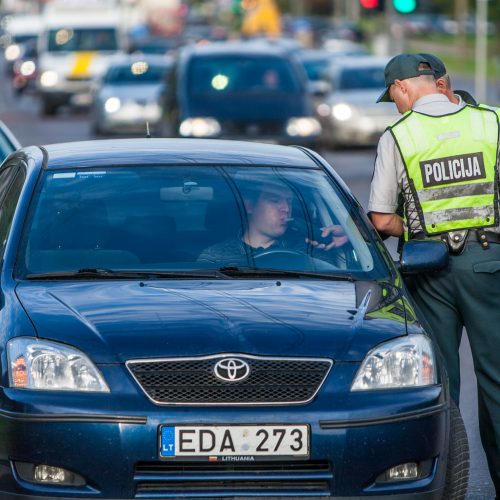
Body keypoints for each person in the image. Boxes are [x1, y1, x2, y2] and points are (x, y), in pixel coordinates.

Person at [369, 53, 500, 496]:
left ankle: (445, 484)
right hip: (489, 263)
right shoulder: (492, 122)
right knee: (498, 380)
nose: (394, 107)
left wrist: (425, 227)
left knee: (440, 383)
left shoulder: (399, 137)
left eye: (392, 98)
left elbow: (381, 219)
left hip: (430, 270)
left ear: (402, 89)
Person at [198, 181, 347, 265]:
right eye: (274, 201)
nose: (286, 209)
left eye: (289, 201)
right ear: (249, 206)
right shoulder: (215, 257)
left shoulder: (309, 252)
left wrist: (350, 238)